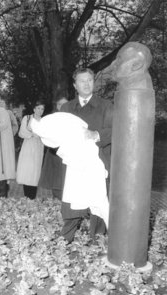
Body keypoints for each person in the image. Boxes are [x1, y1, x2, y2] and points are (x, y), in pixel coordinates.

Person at [60, 68, 113, 243]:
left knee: (98, 199)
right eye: (82, 81)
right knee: (72, 198)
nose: (86, 84)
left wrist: (96, 134)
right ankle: (66, 236)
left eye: (90, 80)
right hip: (75, 163)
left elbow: (115, 130)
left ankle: (97, 238)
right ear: (75, 85)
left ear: (94, 82)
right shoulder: (67, 107)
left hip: (99, 160)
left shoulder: (106, 106)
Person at [38, 97, 68, 199]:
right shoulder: (51, 118)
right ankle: (56, 205)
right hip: (54, 154)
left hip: (68, 154)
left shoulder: (73, 118)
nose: (62, 106)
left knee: (67, 183)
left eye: (65, 104)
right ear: (57, 106)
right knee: (56, 183)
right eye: (60, 104)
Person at [16, 100, 45, 199]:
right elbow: (21, 132)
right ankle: (26, 195)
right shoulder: (27, 118)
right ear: (34, 109)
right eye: (38, 108)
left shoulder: (44, 121)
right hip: (28, 146)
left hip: (38, 147)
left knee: (35, 170)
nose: (40, 111)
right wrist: (32, 134)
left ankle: (32, 196)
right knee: (27, 169)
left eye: (42, 109)